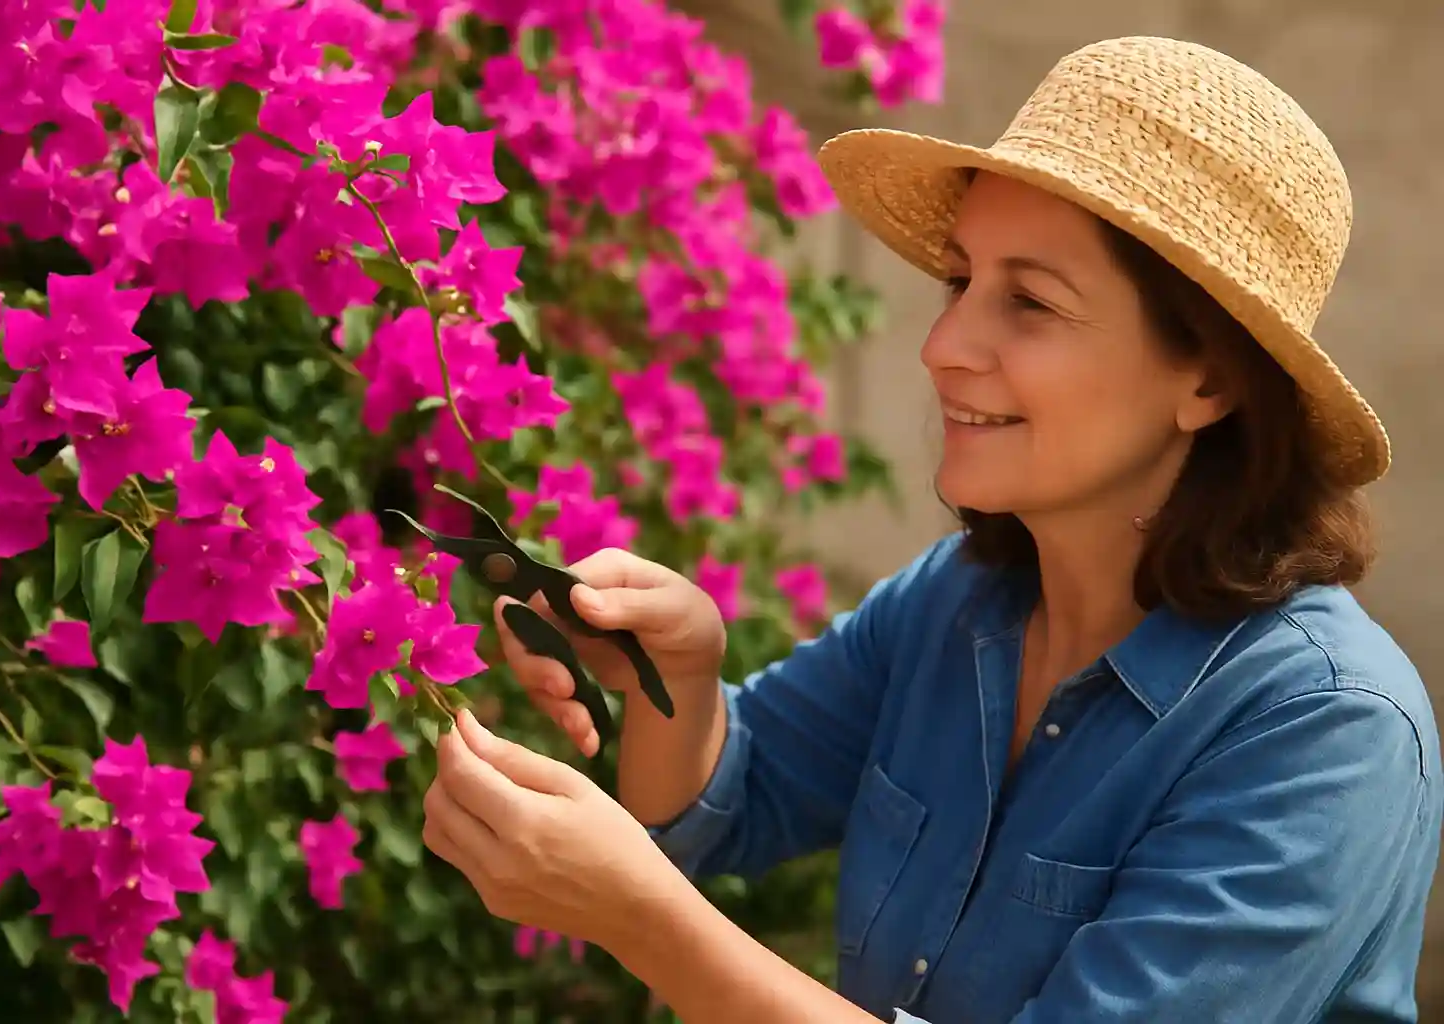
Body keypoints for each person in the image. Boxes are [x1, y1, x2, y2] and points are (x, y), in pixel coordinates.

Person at [418, 35, 1443, 1024]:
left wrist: (643, 923)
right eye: (960, 282)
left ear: (1210, 377)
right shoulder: (962, 599)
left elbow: (658, 881)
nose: (945, 345)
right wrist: (679, 677)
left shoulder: (1325, 733)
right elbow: (726, 799)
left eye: (1030, 302)